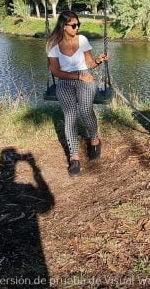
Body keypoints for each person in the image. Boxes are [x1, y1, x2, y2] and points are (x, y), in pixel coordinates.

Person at [46, 11, 110, 177]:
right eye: (73, 25)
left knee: (85, 110)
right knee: (70, 116)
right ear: (64, 26)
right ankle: (74, 157)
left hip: (85, 79)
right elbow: (56, 71)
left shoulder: (82, 40)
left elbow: (88, 63)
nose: (77, 28)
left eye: (78, 25)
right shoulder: (53, 44)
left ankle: (94, 139)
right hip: (65, 80)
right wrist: (78, 75)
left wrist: (98, 61)